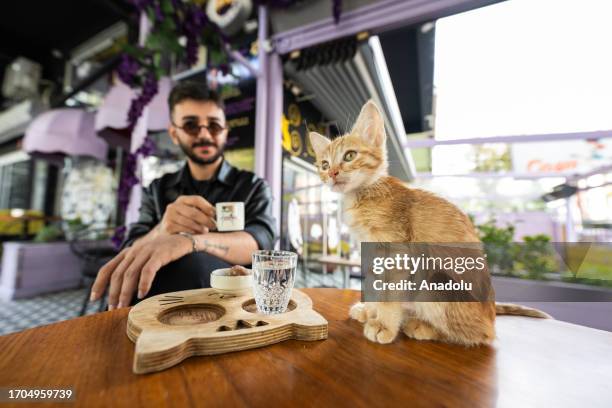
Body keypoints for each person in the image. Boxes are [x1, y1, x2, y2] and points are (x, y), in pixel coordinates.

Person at [90, 81, 277, 310]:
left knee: (193, 264)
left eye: (214, 125)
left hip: (236, 307)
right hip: (154, 309)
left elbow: (261, 242)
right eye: (191, 125)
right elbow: (133, 245)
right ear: (174, 134)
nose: (204, 134)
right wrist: (162, 229)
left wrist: (190, 241)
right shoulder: (157, 189)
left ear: (225, 131)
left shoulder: (253, 186)